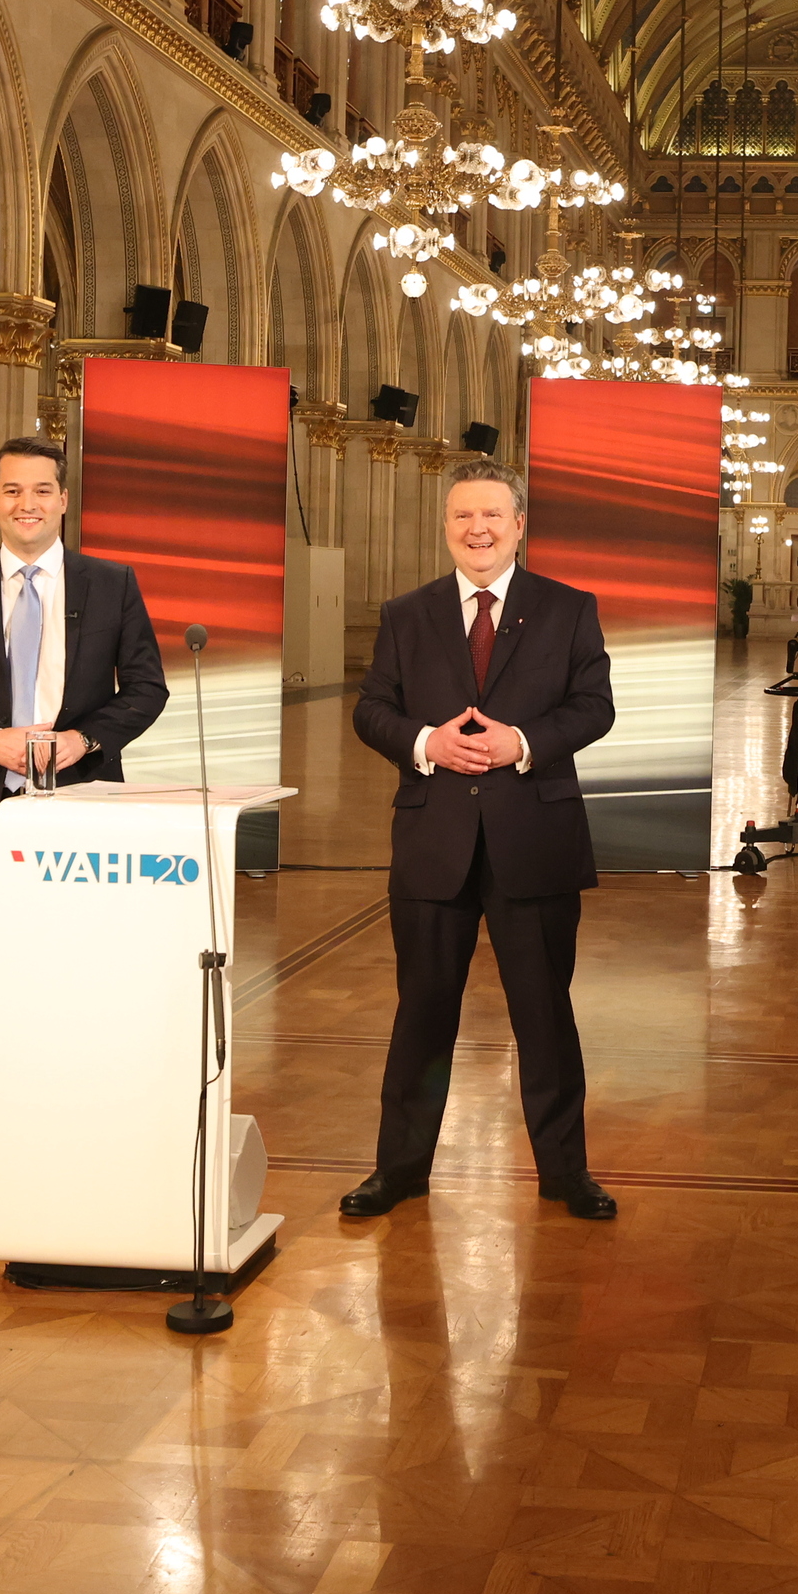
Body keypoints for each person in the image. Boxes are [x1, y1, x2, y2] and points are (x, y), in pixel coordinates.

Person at [0, 434, 170, 1225]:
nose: (27, 504)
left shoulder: (112, 586)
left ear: (63, 498)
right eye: (12, 490)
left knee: (83, 992)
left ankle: (75, 1142)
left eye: (42, 490)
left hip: (85, 822)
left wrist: (85, 739)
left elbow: (145, 688)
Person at [342, 459, 618, 1222]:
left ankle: (567, 1172)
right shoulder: (408, 613)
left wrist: (520, 742)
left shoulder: (568, 608)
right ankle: (398, 1171)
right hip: (435, 844)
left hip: (535, 839)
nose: (479, 528)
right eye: (464, 515)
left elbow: (595, 707)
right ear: (446, 525)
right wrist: (427, 741)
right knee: (422, 1013)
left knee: (544, 1014)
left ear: (520, 523)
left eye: (493, 514)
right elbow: (373, 711)